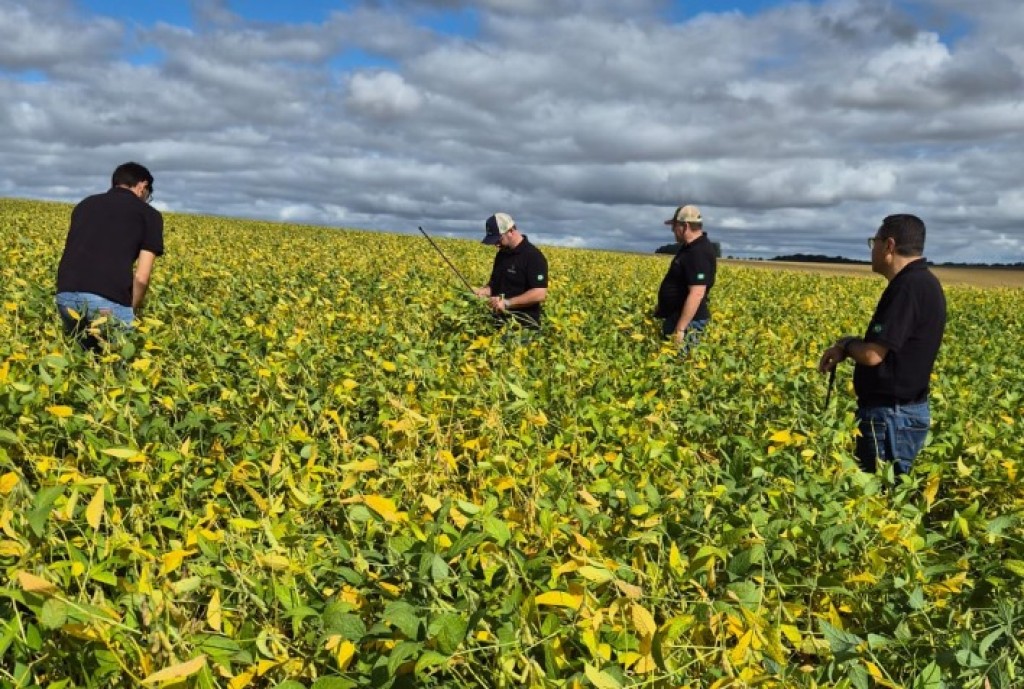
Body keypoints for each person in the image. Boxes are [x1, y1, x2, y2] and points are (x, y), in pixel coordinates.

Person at [818, 214, 946, 476]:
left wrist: (846, 344)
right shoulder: (923, 282)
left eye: (873, 242)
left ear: (889, 245)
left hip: (890, 417)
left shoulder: (907, 287)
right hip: (901, 414)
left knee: (879, 493)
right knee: (889, 491)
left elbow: (872, 355)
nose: (871, 249)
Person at [55, 162, 164, 350]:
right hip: (106, 302)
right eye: (148, 194)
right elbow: (141, 277)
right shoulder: (148, 214)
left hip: (66, 297)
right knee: (123, 361)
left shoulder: (85, 205)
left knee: (85, 359)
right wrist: (131, 311)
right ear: (142, 186)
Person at [654, 204, 716, 347]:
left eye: (674, 226)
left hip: (689, 323)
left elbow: (697, 293)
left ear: (685, 226)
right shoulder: (690, 248)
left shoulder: (698, 252)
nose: (672, 230)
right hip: (678, 317)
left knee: (680, 358)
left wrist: (681, 329)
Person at [473, 213, 548, 329]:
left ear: (511, 231)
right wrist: (484, 291)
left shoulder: (533, 256)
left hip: (523, 329)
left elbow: (539, 294)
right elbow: (494, 285)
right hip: (499, 325)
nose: (496, 244)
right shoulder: (502, 255)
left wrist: (507, 303)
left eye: (499, 239)